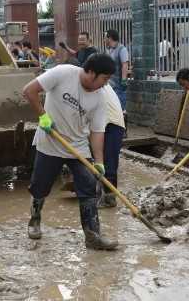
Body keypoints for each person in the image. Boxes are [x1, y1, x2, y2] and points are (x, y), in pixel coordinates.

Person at [22, 53, 118, 250]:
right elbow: (29, 91)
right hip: (50, 143)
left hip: (78, 148)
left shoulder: (100, 97)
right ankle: (34, 220)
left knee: (89, 188)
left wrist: (98, 161)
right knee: (40, 187)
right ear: (91, 72)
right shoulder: (62, 73)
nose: (106, 84)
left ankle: (93, 236)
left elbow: (97, 131)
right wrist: (43, 117)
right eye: (104, 78)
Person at [97, 84, 126, 208]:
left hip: (112, 124)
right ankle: (100, 193)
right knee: (101, 161)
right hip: (103, 123)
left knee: (109, 162)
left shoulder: (94, 84)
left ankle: (109, 198)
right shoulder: (94, 81)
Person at [104, 29, 130, 112]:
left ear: (110, 38)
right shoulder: (109, 50)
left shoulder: (122, 49)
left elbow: (125, 65)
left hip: (119, 84)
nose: (104, 39)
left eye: (105, 37)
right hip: (110, 83)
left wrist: (124, 80)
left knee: (120, 106)